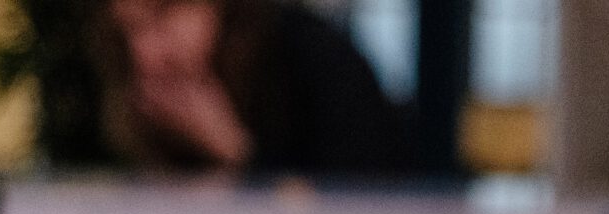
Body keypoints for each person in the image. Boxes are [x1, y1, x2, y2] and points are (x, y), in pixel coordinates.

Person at [91, 0, 416, 175]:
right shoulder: (151, 100)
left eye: (163, 16)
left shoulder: (308, 55)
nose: (145, 54)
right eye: (131, 30)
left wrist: (231, 147)